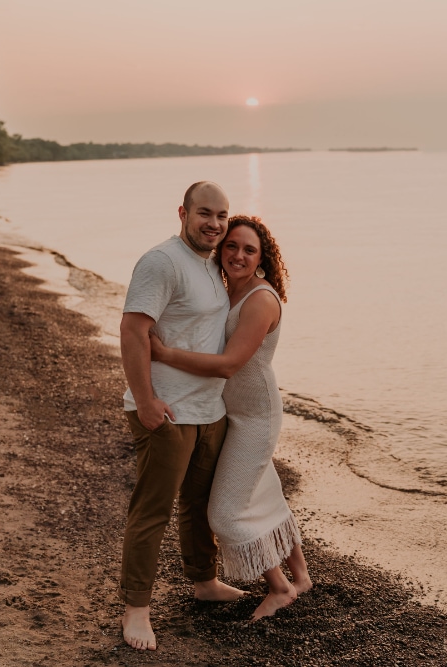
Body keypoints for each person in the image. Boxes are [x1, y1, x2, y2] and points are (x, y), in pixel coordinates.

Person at [150, 215, 312, 621]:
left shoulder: (259, 298)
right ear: (220, 250)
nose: (238, 255)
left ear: (262, 258)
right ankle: (302, 575)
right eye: (231, 246)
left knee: (223, 512)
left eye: (249, 249)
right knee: (263, 493)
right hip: (232, 413)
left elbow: (228, 365)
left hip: (256, 418)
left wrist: (166, 354)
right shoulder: (227, 291)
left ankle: (279, 589)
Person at [118, 181, 245, 651]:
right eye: (205, 213)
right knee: (152, 511)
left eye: (222, 215)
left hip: (209, 408)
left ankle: (202, 581)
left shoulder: (211, 264)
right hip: (167, 410)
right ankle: (136, 610)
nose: (214, 223)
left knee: (197, 506)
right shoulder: (162, 262)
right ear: (183, 213)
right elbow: (133, 332)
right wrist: (146, 400)